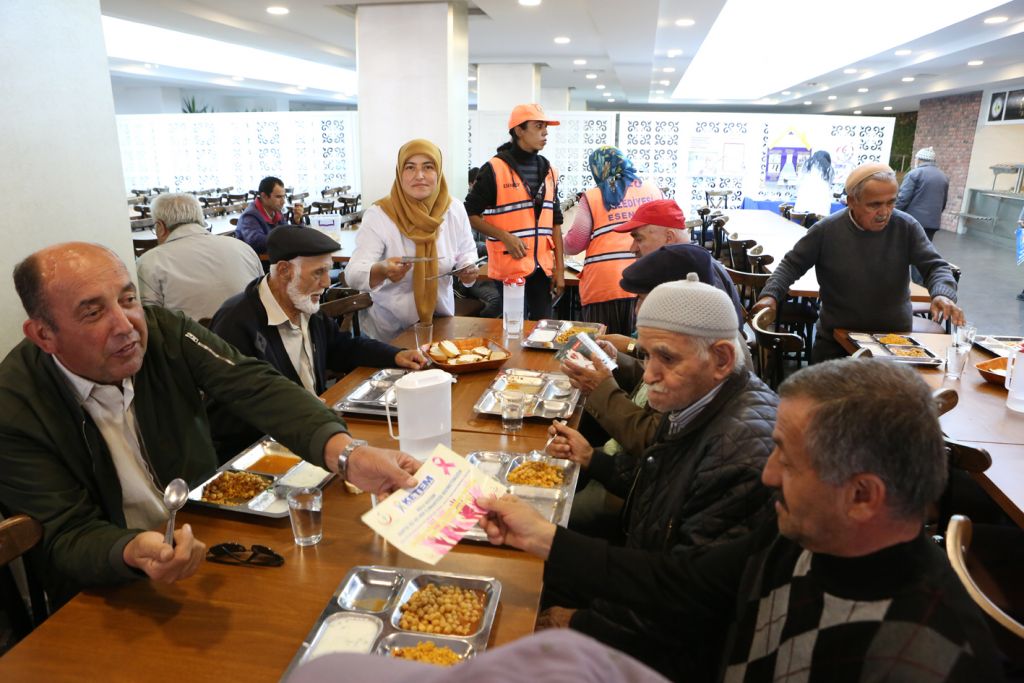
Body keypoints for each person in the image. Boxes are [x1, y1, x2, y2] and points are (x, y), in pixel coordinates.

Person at [480, 359, 1003, 681]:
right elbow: (683, 580)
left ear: (863, 496)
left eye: (787, 460)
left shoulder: (925, 656)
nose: (768, 475)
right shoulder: (800, 537)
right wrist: (541, 535)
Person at [0, 243, 419, 608]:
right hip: (109, 590)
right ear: (43, 335)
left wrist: (348, 454)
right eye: (93, 313)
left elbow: (254, 384)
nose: (127, 324)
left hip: (209, 540)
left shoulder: (164, 330)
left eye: (128, 299)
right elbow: (65, 535)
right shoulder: (15, 407)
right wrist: (130, 549)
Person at [540, 277, 777, 677]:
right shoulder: (701, 401)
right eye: (646, 355)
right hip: (643, 586)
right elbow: (660, 488)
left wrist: (578, 623)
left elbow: (683, 609)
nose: (648, 376)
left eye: (666, 359)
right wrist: (593, 460)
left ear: (721, 358)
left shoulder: (739, 452)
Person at [209, 227, 426, 457]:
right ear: (284, 270)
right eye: (318, 273)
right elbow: (227, 410)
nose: (325, 282)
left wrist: (394, 355)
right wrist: (296, 408)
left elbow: (342, 348)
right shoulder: (236, 322)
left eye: (327, 271)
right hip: (263, 451)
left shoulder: (304, 306)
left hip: (314, 432)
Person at [753, 162, 964, 363]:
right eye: (875, 205)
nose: (884, 212)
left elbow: (935, 266)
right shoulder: (826, 230)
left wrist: (942, 293)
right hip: (837, 341)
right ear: (851, 201)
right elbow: (791, 265)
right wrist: (771, 295)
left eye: (891, 202)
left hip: (894, 341)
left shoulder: (906, 226)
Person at [345, 139, 480, 341]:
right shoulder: (380, 214)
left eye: (428, 167)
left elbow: (466, 251)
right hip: (391, 333)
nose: (419, 176)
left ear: (439, 172)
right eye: (410, 167)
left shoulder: (454, 209)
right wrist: (381, 270)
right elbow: (353, 274)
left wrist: (467, 267)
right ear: (400, 173)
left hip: (441, 326)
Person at [464, 103, 565, 320]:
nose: (545, 132)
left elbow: (555, 222)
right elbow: (469, 213)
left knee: (543, 328)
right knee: (514, 329)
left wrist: (560, 269)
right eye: (538, 126)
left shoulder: (550, 172)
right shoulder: (494, 169)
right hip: (510, 266)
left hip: (542, 268)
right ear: (519, 130)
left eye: (546, 127)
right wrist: (504, 237)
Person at [599, 198, 736, 353]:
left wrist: (630, 346)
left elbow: (691, 359)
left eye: (639, 239)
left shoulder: (701, 281)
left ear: (669, 238)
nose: (632, 249)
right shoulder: (686, 267)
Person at [562, 146, 662, 335]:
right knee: (638, 351)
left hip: (604, 284)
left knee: (603, 351)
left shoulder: (593, 196)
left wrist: (559, 241)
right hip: (646, 279)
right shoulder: (653, 190)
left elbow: (575, 244)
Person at [136, 193, 263, 321]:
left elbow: (151, 321)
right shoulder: (243, 248)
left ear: (160, 226)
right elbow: (263, 297)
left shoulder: (150, 262)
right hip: (252, 336)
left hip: (191, 339)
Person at [235, 176, 305, 254]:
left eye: (283, 196)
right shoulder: (249, 216)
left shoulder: (276, 211)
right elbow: (257, 244)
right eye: (278, 197)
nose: (283, 202)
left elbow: (287, 233)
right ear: (264, 196)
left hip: (276, 258)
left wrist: (297, 221)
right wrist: (286, 237)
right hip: (260, 263)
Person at [896, 147, 949, 242]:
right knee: (924, 250)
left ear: (919, 159)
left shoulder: (914, 174)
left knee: (906, 249)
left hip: (912, 222)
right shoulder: (943, 176)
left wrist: (893, 214)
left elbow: (903, 198)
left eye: (915, 158)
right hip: (933, 223)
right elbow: (944, 201)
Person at [792, 150, 834, 219]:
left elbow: (798, 183)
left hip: (803, 205)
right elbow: (829, 187)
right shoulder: (829, 169)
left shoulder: (806, 165)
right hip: (821, 207)